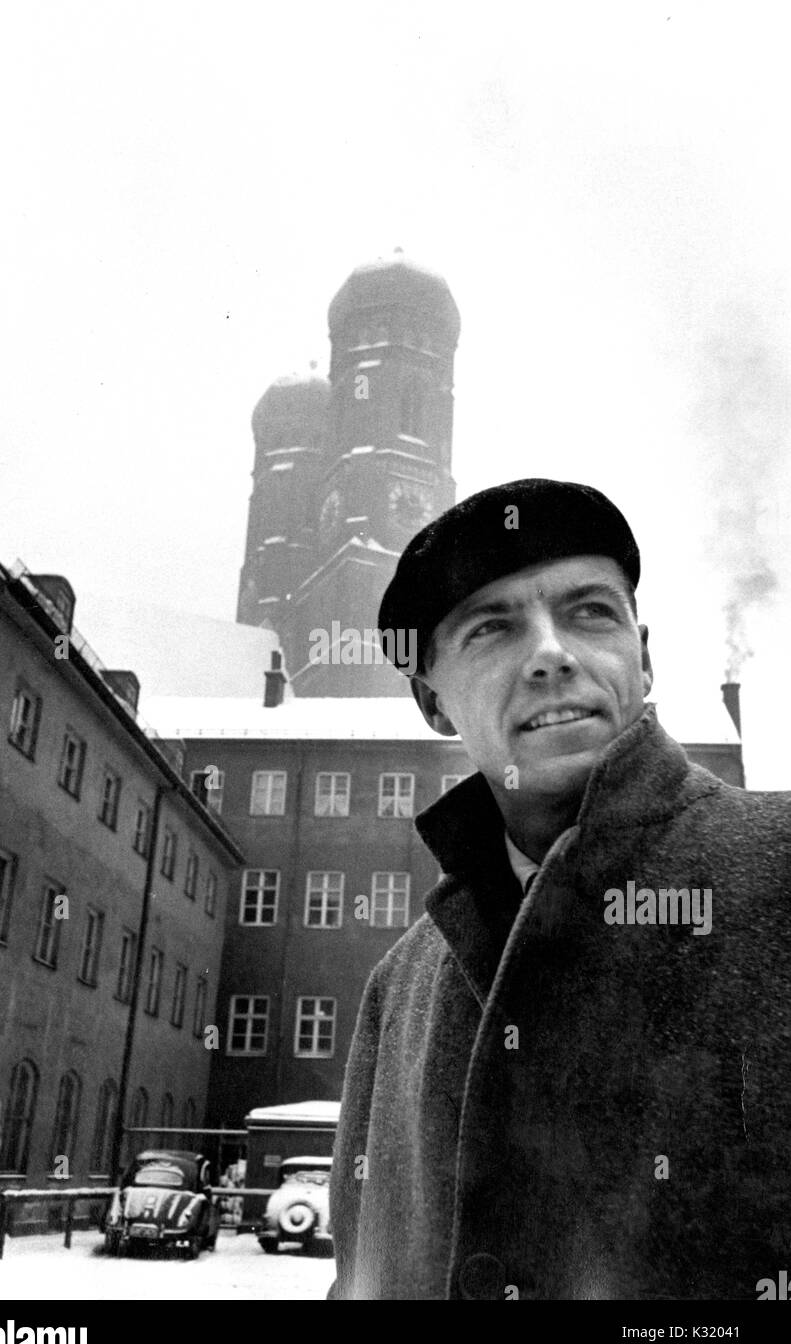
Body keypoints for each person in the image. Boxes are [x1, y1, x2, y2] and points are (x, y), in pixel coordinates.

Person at [328, 478, 791, 1301]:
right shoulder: (396, 990)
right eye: (492, 628)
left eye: (589, 613)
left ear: (641, 660)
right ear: (433, 702)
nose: (552, 653)